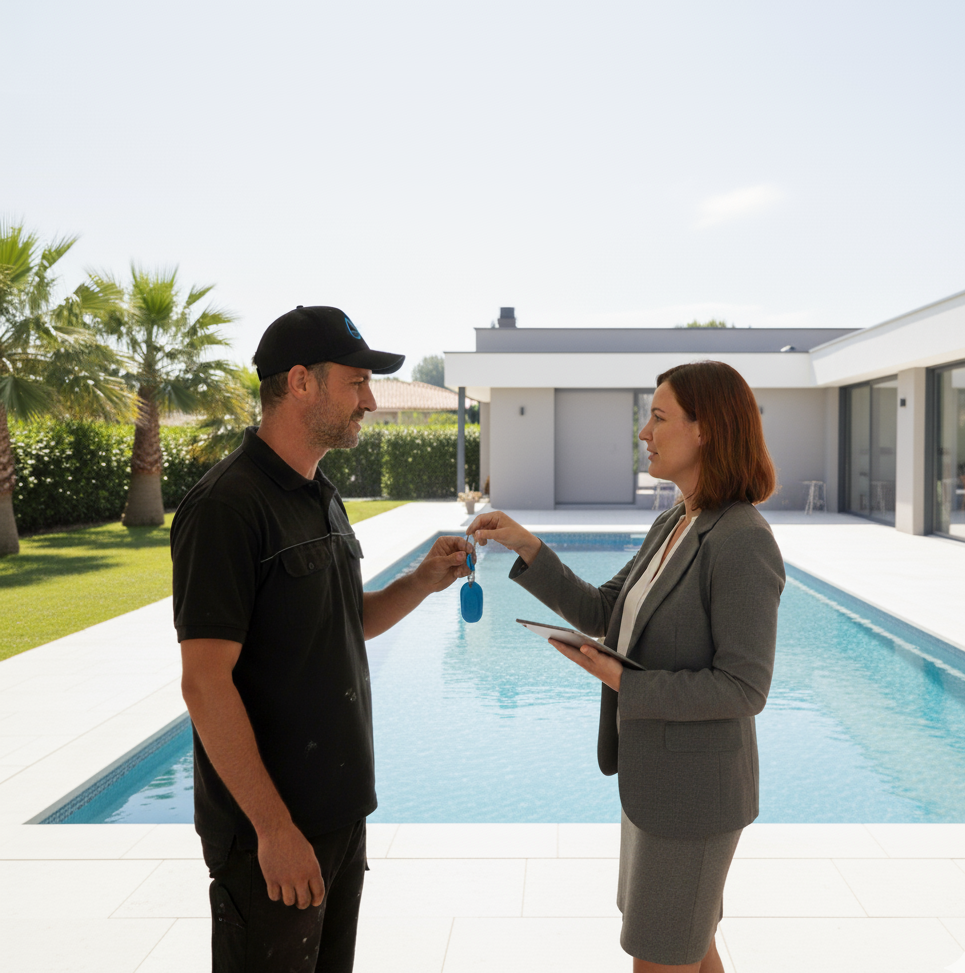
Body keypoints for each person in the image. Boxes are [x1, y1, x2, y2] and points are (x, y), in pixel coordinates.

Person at [170, 305, 473, 973]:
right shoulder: (226, 507)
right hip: (271, 833)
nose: (371, 401)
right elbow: (204, 683)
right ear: (301, 381)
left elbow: (346, 620)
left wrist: (422, 581)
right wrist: (274, 829)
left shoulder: (320, 494)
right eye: (357, 382)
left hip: (339, 816)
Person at [467, 360, 784, 973]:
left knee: (662, 954)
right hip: (658, 790)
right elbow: (604, 610)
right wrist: (527, 545)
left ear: (706, 430)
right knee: (689, 948)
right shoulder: (675, 521)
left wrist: (624, 682)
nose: (644, 432)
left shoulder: (741, 538)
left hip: (694, 802)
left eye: (658, 417)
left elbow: (745, 687)